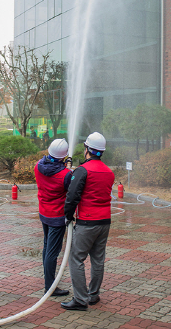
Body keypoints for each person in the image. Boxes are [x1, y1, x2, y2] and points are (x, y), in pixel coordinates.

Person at [62, 132, 114, 311]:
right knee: (98, 259)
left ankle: (80, 299)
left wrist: (68, 216)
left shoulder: (83, 170)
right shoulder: (109, 172)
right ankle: (93, 295)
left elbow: (72, 196)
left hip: (87, 223)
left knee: (76, 258)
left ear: (87, 150)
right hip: (105, 222)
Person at [35, 139, 73, 297]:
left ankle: (48, 280)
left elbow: (54, 170)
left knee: (46, 248)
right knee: (52, 252)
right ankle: (49, 287)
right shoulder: (66, 175)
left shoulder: (38, 166)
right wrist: (69, 169)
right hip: (57, 217)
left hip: (43, 212)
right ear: (63, 157)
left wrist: (66, 168)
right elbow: (70, 189)